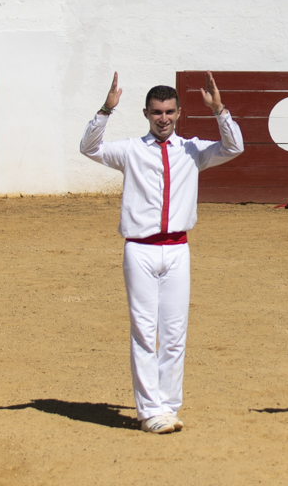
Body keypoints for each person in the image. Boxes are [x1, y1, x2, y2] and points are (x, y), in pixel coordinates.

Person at [80, 72, 244, 433]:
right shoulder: (130, 150)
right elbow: (89, 148)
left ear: (179, 113)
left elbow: (234, 147)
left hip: (178, 250)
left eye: (169, 112)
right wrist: (106, 110)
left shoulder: (194, 150)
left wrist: (220, 111)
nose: (164, 119)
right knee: (143, 332)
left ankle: (168, 406)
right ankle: (150, 410)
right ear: (145, 113)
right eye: (157, 112)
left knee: (173, 333)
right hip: (139, 250)